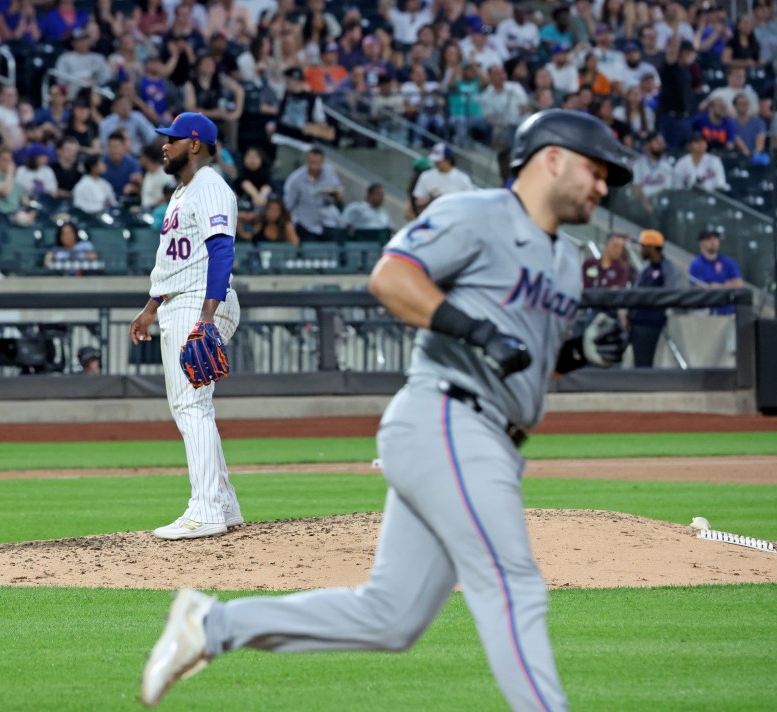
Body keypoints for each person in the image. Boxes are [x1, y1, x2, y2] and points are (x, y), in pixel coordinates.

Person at [141, 109, 633, 710]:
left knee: (390, 617)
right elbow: (391, 278)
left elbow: (530, 357)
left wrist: (578, 352)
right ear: (551, 158)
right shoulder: (473, 212)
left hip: (491, 436)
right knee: (514, 586)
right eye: (596, 169)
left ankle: (212, 626)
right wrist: (476, 332)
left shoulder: (566, 261)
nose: (604, 185)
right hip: (448, 418)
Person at [129, 112, 242, 540]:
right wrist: (151, 306)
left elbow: (221, 251)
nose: (164, 145)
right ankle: (224, 503)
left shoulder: (210, 185)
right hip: (182, 299)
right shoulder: (181, 193)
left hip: (200, 302)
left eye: (172, 139)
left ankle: (206, 508)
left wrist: (207, 318)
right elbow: (176, 260)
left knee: (190, 405)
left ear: (194, 144)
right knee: (195, 404)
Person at [628, 229, 680, 368]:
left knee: (645, 361)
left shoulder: (668, 267)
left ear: (651, 247)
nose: (641, 249)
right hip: (636, 320)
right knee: (637, 360)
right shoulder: (646, 268)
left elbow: (670, 293)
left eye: (643, 246)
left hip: (651, 322)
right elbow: (635, 292)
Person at [282, 147, 343, 242]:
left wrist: (335, 195)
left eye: (317, 162)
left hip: (327, 221)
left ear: (322, 161)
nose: (314, 165)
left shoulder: (330, 173)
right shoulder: (296, 179)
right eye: (311, 162)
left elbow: (339, 196)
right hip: (305, 224)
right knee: (310, 251)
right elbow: (288, 206)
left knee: (334, 248)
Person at [688, 228, 743, 315]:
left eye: (716, 239)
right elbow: (697, 287)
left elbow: (738, 283)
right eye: (709, 239)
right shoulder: (696, 264)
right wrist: (726, 285)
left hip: (728, 312)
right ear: (701, 243)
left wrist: (718, 286)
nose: (714, 242)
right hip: (706, 313)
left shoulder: (727, 262)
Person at [411, 143, 475, 210]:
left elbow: (470, 203)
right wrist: (431, 199)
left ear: (448, 160)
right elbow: (417, 202)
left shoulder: (462, 179)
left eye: (439, 161)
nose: (436, 163)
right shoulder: (426, 176)